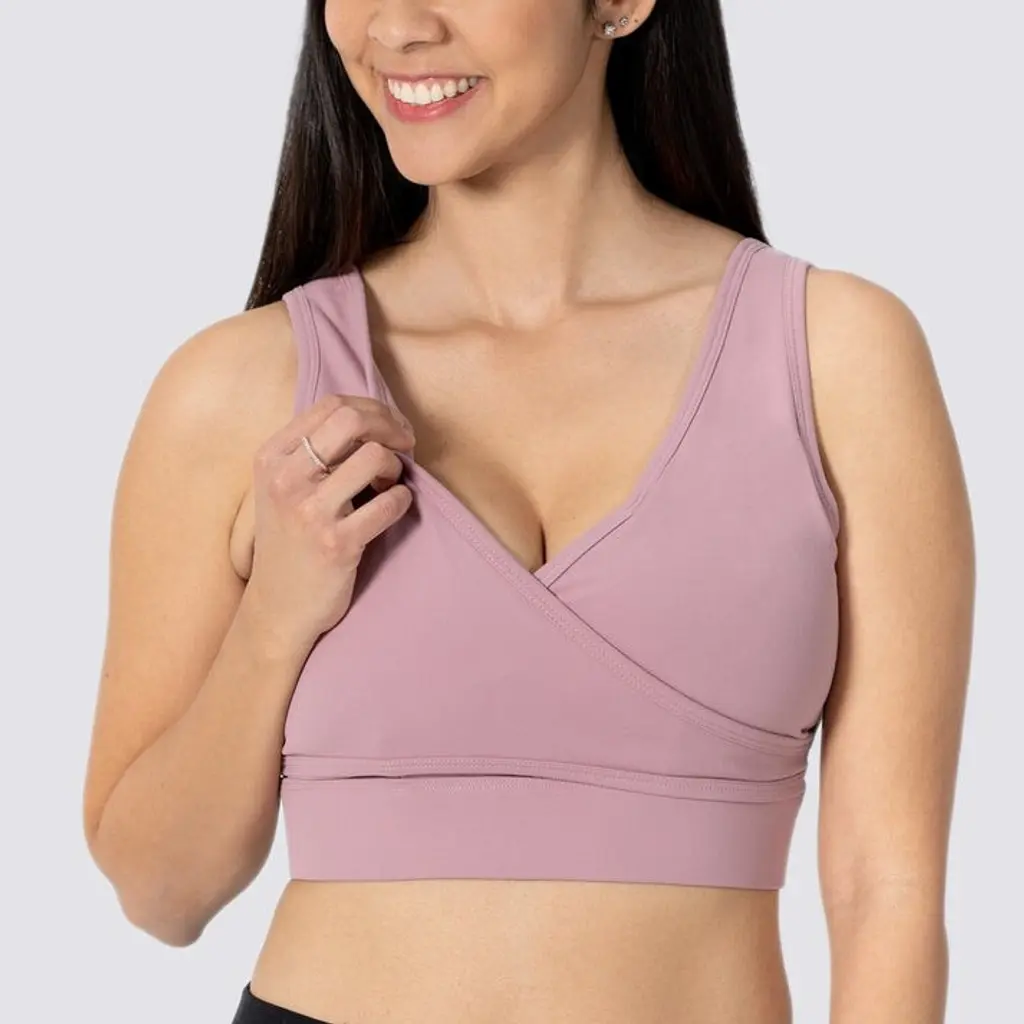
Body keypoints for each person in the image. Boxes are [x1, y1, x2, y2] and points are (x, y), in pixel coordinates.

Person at [81, 1, 975, 1022]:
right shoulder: (234, 389)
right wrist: (273, 618)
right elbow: (161, 894)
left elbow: (885, 891)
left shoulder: (834, 357)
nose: (395, 26)